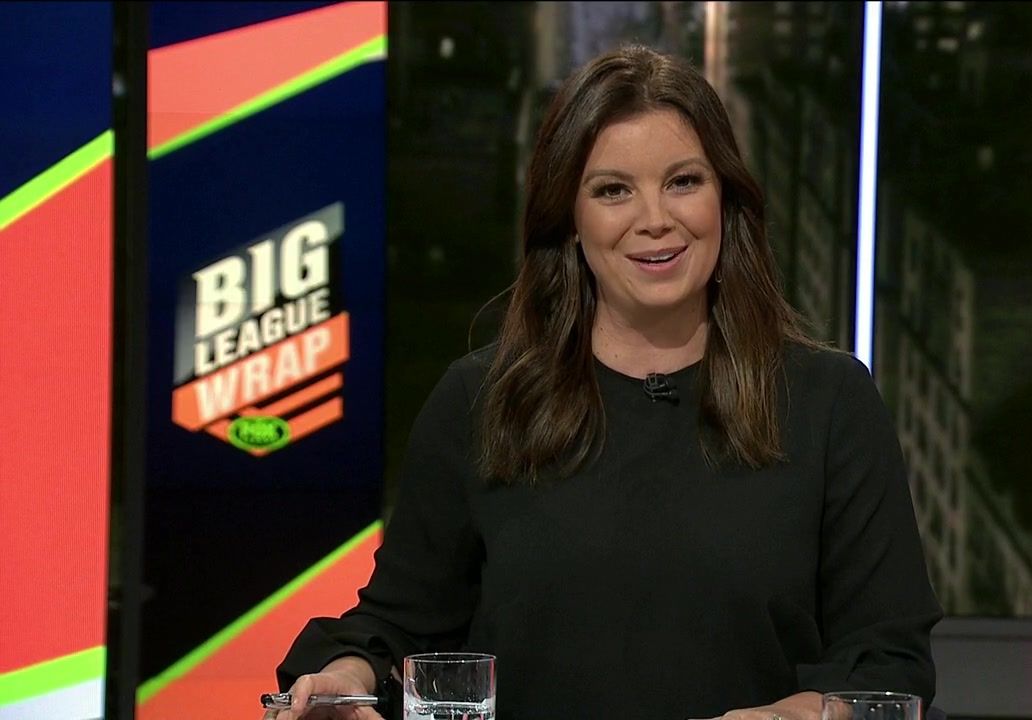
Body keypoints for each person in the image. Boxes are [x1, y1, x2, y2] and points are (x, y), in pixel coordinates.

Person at [267, 44, 942, 720]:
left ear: (725, 197)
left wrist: (796, 715)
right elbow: (400, 626)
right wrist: (347, 675)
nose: (655, 219)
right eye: (613, 190)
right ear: (570, 217)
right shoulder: (481, 402)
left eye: (683, 181)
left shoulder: (829, 402)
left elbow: (888, 661)